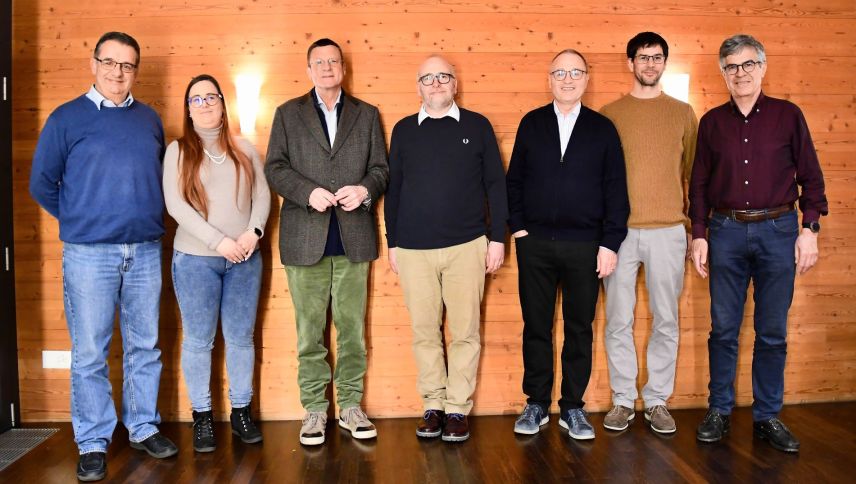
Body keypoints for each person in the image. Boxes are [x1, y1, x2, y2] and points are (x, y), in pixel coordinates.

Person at [29, 31, 177, 482]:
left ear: (135, 71)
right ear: (93, 64)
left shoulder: (149, 120)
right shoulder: (65, 119)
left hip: (146, 251)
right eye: (110, 63)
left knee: (144, 346)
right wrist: (80, 221)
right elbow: (42, 185)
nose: (117, 72)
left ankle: (142, 425)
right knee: (91, 352)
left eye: (127, 65)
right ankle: (92, 441)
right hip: (88, 254)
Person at [690, 34, 828, 453]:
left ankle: (767, 416)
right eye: (731, 67)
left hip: (778, 230)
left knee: (772, 331)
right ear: (723, 74)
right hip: (726, 232)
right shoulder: (712, 122)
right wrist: (699, 234)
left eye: (748, 64)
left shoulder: (788, 116)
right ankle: (719, 411)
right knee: (724, 330)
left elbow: (812, 178)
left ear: (763, 68)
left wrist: (810, 229)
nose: (740, 73)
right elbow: (698, 184)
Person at [264, 38, 389, 446]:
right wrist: (305, 192)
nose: (327, 67)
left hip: (354, 238)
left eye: (333, 61)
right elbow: (275, 168)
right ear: (308, 70)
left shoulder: (367, 115)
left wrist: (365, 190)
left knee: (352, 330)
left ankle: (350, 406)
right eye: (319, 62)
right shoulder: (287, 114)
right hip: (305, 240)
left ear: (343, 68)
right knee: (309, 334)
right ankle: (315, 411)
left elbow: (381, 169)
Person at [385, 55, 508, 443]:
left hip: (468, 245)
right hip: (413, 249)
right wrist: (392, 242)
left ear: (455, 84)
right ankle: (433, 406)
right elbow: (395, 190)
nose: (436, 83)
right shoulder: (404, 130)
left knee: (465, 332)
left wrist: (498, 238)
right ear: (418, 86)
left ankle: (457, 408)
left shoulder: (478, 125)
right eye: (428, 78)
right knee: (424, 331)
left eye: (443, 77)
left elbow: (496, 186)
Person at [508, 49, 629, 440]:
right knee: (536, 327)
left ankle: (572, 408)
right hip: (536, 245)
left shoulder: (603, 128)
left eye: (575, 72)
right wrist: (520, 230)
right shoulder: (532, 123)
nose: (567, 78)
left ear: (586, 78)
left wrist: (609, 243)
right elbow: (514, 182)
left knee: (580, 328)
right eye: (559, 72)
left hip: (585, 247)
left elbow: (615, 189)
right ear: (550, 78)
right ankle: (537, 403)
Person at [163, 74, 270, 453]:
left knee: (242, 339)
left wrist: (252, 234)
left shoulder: (243, 148)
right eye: (196, 99)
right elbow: (176, 205)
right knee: (199, 341)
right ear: (188, 110)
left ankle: (241, 412)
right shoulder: (178, 151)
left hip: (244, 259)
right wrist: (219, 241)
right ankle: (203, 418)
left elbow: (262, 195)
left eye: (211, 97)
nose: (205, 103)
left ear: (224, 104)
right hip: (195, 261)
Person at [599, 32, 698, 434]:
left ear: (664, 63)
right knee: (617, 320)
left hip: (669, 231)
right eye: (643, 57)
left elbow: (693, 173)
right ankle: (623, 400)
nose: (651, 64)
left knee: (666, 320)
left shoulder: (683, 113)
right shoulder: (609, 115)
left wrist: (694, 229)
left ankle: (657, 400)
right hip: (619, 234)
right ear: (631, 63)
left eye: (658, 58)